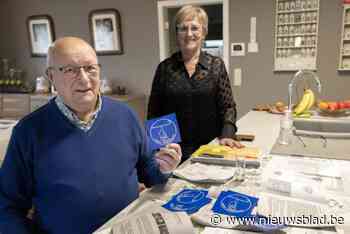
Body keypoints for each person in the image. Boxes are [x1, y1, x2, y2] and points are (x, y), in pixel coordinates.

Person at [0, 37, 182, 234]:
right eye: (70, 70)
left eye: (90, 68)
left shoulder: (126, 115)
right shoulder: (28, 131)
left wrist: (164, 168)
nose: (85, 79)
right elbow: (7, 207)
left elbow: (150, 172)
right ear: (51, 77)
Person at [148, 5, 243, 161]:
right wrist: (160, 148)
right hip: (174, 151)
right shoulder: (164, 68)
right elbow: (154, 111)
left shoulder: (216, 65)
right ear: (176, 33)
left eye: (194, 28)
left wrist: (227, 134)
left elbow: (228, 107)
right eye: (183, 28)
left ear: (203, 32)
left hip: (211, 148)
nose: (189, 34)